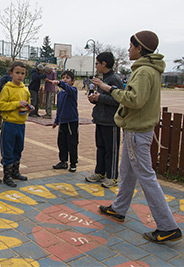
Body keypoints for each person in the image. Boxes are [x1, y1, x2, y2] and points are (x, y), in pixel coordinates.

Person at [94, 30, 182, 243]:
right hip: (137, 129)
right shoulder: (151, 69)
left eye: (131, 46)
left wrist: (109, 89)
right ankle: (119, 208)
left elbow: (134, 100)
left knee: (146, 177)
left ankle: (168, 227)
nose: (128, 49)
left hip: (137, 131)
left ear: (139, 48)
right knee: (127, 172)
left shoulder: (143, 71)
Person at [85, 52, 124, 188]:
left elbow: (118, 100)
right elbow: (102, 98)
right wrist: (94, 98)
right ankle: (100, 172)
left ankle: (112, 177)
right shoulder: (103, 79)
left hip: (111, 121)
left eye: (97, 63)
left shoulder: (114, 80)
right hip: (100, 119)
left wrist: (99, 98)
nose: (96, 66)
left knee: (111, 150)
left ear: (104, 64)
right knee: (100, 148)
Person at [0, 61, 34, 187]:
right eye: (17, 73)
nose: (20, 76)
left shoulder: (25, 89)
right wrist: (17, 104)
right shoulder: (7, 88)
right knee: (8, 149)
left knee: (18, 148)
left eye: (22, 73)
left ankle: (15, 171)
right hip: (9, 123)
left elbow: (27, 102)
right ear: (11, 73)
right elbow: (1, 105)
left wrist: (29, 107)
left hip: (21, 124)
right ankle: (7, 175)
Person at [51, 70, 79, 173]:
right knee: (61, 143)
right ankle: (63, 161)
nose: (65, 79)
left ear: (73, 81)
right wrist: (56, 121)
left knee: (72, 143)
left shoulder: (73, 91)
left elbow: (67, 88)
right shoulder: (60, 94)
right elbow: (59, 108)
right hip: (62, 122)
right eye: (63, 78)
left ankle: (73, 163)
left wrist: (60, 83)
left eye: (67, 78)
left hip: (72, 122)